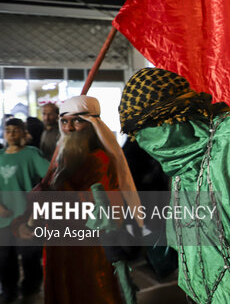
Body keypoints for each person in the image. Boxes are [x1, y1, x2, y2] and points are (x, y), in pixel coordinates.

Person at [118, 67, 230, 304]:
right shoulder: (181, 161)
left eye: (148, 131)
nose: (146, 144)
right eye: (136, 136)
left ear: (176, 117)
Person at [17, 96, 140, 304]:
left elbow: (98, 207)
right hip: (58, 238)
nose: (69, 127)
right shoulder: (64, 156)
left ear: (92, 124)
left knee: (88, 290)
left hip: (88, 244)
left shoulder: (99, 159)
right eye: (64, 121)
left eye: (77, 120)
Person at [0, 118, 48, 303]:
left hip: (27, 219)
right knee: (4, 259)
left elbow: (50, 179)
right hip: (3, 220)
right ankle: (9, 291)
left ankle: (30, 289)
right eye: (8, 130)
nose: (11, 134)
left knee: (29, 258)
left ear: (23, 132)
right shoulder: (1, 156)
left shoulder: (32, 154)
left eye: (16, 130)